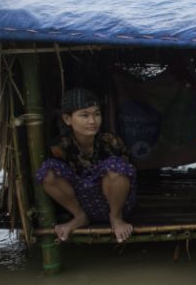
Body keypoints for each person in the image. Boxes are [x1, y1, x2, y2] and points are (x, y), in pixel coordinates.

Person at [36, 88, 136, 243]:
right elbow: (59, 182)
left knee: (116, 166)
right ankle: (79, 217)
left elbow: (128, 177)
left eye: (97, 114)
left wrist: (116, 212)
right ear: (68, 119)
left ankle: (116, 219)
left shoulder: (111, 141)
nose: (92, 121)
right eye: (84, 115)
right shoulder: (59, 146)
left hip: (115, 203)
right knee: (47, 171)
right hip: (81, 203)